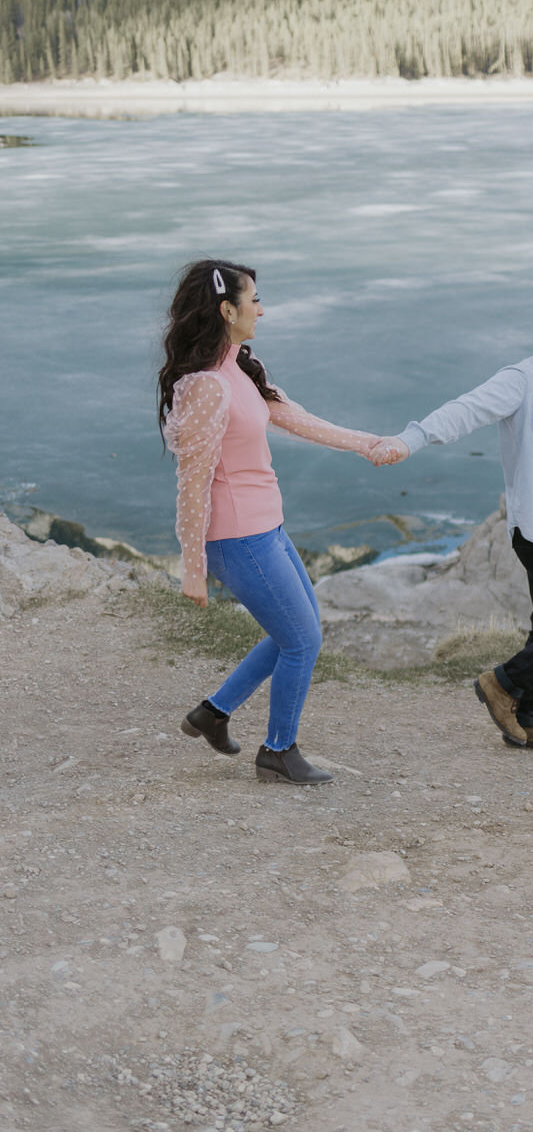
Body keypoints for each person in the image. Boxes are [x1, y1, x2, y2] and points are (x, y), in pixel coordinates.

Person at [370, 292, 533, 756]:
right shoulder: (522, 381)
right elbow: (465, 409)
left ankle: (532, 721)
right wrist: (409, 439)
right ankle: (501, 682)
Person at [158, 258, 380, 786]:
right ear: (226, 309)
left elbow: (299, 419)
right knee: (300, 640)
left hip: (266, 529)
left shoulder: (238, 370)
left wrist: (371, 445)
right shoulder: (208, 387)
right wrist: (193, 568)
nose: (262, 308)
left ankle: (213, 713)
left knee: (299, 633)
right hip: (238, 539)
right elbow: (192, 481)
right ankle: (279, 751)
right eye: (253, 299)